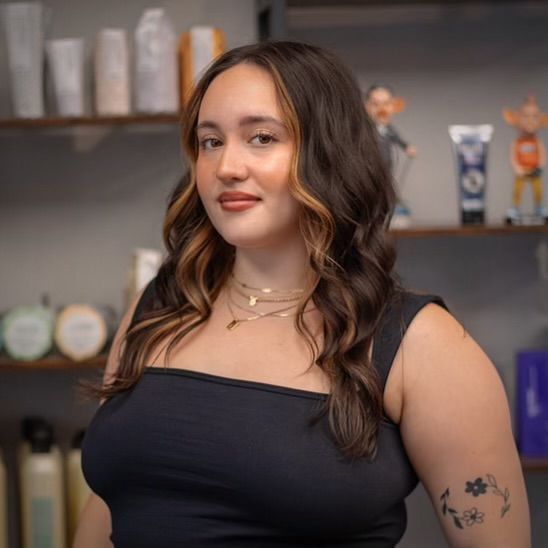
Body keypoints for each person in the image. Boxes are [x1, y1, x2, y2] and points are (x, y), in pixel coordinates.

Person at [74, 41, 530, 548]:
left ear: (329, 151)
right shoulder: (161, 303)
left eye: (262, 137)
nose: (226, 166)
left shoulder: (421, 343)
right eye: (210, 141)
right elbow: (108, 507)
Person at [364, 84, 417, 227]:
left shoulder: (388, 129)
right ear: (367, 107)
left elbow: (398, 139)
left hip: (387, 166)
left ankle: (387, 213)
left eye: (386, 104)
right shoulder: (365, 131)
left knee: (387, 189)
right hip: (370, 168)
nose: (382, 109)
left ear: (394, 106)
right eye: (375, 104)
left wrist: (407, 148)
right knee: (372, 190)